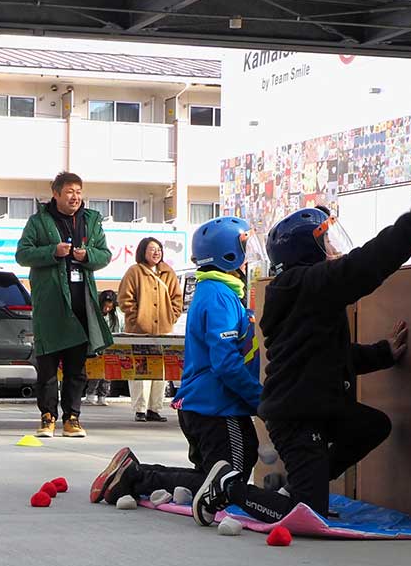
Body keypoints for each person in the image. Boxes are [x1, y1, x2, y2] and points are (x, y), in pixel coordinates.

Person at [90, 217, 296, 528]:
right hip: (217, 407)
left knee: (210, 477)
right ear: (228, 255)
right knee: (229, 482)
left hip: (204, 405)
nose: (250, 255)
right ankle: (137, 475)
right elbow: (226, 362)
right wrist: (260, 401)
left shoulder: (218, 291)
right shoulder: (219, 296)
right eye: (244, 247)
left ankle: (134, 473)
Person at [257, 196, 411, 518]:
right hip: (298, 415)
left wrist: (383, 353)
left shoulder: (303, 290)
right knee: (306, 511)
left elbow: (330, 355)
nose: (333, 249)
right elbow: (368, 264)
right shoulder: (307, 284)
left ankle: (302, 484)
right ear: (306, 250)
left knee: (371, 425)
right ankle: (230, 489)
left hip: (319, 406)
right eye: (326, 242)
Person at [16, 171, 113, 439]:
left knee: (76, 368)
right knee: (47, 366)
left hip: (82, 300)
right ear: (56, 194)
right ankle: (47, 416)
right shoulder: (39, 221)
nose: (75, 197)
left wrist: (88, 255)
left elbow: (105, 254)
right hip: (50, 304)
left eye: (79, 192)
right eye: (69, 191)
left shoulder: (92, 220)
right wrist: (52, 252)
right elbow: (22, 254)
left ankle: (73, 418)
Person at [118, 236, 183, 422]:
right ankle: (140, 408)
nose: (156, 252)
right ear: (143, 252)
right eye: (152, 249)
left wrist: (172, 316)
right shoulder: (134, 272)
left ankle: (154, 408)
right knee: (140, 369)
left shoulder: (168, 272)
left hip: (164, 329)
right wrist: (136, 318)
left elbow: (177, 298)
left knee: (161, 370)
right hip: (139, 331)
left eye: (159, 249)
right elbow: (124, 299)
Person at [84, 290, 122, 406]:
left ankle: (103, 395)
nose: (107, 308)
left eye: (109, 306)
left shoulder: (116, 317)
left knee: (107, 375)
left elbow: (118, 330)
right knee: (96, 373)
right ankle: (90, 394)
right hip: (98, 347)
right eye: (105, 305)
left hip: (110, 348)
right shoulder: (95, 315)